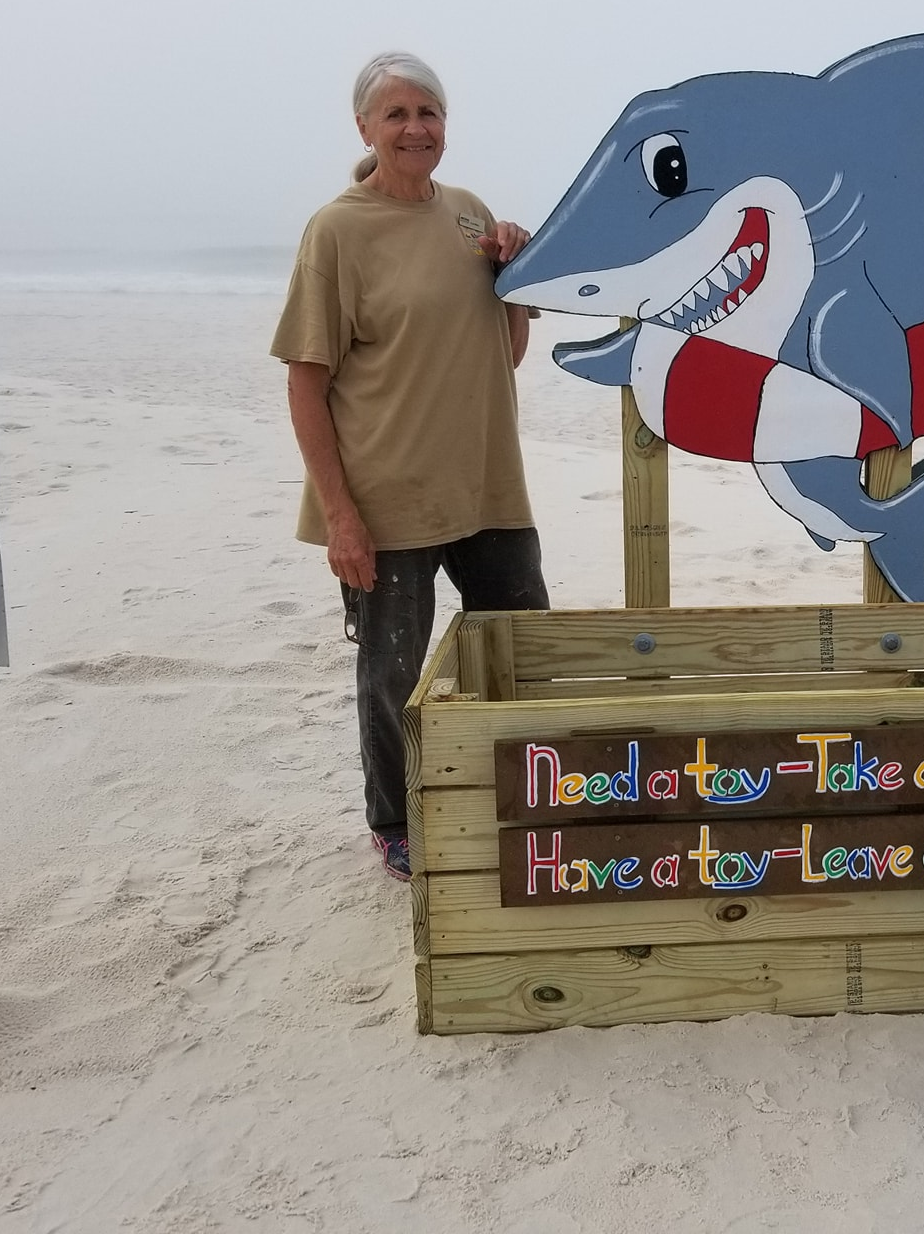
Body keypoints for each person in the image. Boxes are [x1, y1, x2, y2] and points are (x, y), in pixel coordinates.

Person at [271, 52, 549, 882]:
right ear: (364, 128)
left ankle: (519, 796)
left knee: (523, 649)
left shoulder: (469, 215)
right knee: (392, 670)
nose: (414, 128)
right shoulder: (337, 230)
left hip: (487, 484)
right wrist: (340, 518)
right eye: (395, 114)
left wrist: (513, 277)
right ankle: (394, 818)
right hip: (385, 496)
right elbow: (305, 383)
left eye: (427, 112)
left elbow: (503, 353)